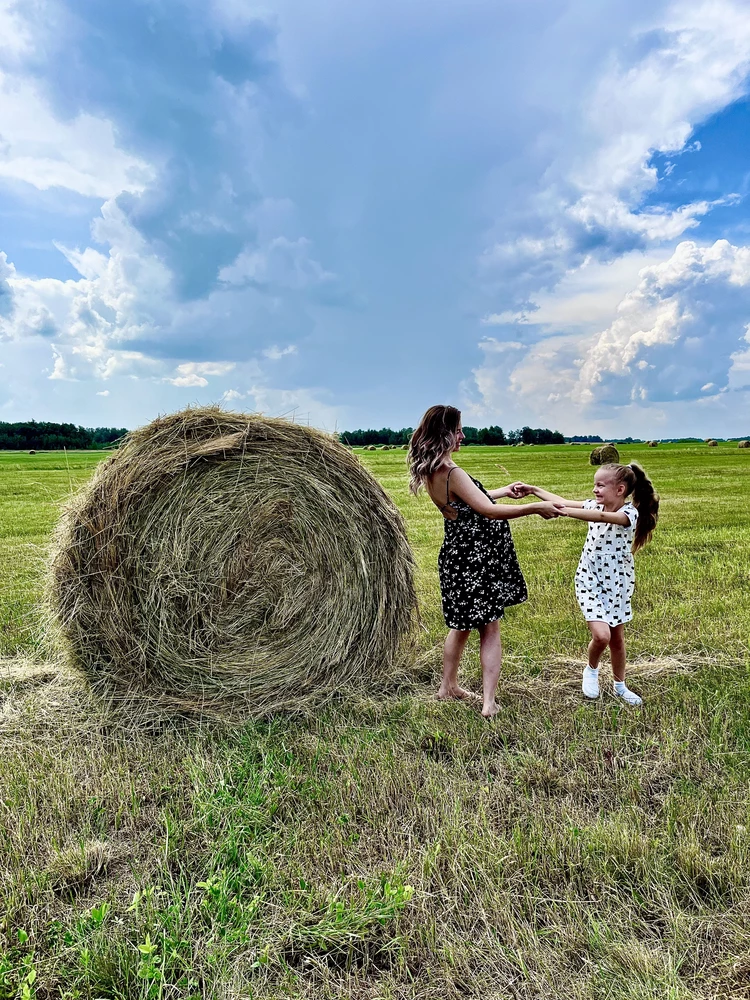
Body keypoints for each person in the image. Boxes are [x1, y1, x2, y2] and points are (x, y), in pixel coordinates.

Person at [408, 405, 561, 718]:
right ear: (445, 433)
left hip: (456, 558)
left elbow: (469, 499)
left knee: (460, 627)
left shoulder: (434, 471)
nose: (462, 436)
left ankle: (447, 687)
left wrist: (502, 491)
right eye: (459, 430)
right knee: (490, 629)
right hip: (476, 561)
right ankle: (489, 703)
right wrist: (533, 508)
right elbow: (486, 510)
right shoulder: (452, 472)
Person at [516, 463, 659, 705]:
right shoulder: (595, 504)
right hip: (589, 580)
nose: (594, 490)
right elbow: (562, 501)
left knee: (617, 639)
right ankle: (591, 670)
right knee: (602, 636)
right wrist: (534, 490)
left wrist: (563, 512)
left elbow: (601, 517)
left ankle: (620, 686)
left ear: (620, 490)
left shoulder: (628, 514)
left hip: (617, 584)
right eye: (595, 484)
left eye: (600, 485)